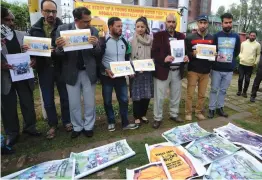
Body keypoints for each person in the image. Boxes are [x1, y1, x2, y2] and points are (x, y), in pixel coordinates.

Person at [29, 0, 71, 139]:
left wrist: (60, 48)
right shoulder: (34, 29)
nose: (51, 14)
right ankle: (53, 125)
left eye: (53, 11)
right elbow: (32, 50)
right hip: (44, 68)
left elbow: (69, 49)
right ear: (42, 12)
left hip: (61, 67)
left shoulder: (64, 27)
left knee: (65, 97)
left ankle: (67, 121)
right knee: (48, 100)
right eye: (48, 11)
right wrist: (30, 54)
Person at [55, 7, 100, 138]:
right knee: (73, 103)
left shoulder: (93, 31)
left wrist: (96, 44)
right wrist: (59, 47)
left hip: (88, 72)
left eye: (89, 20)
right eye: (86, 21)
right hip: (71, 72)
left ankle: (89, 126)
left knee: (89, 102)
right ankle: (77, 126)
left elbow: (97, 53)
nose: (89, 24)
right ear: (76, 20)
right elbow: (58, 54)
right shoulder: (62, 30)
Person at [1, 7, 41, 147]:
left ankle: (30, 127)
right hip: (5, 78)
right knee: (8, 106)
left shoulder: (22, 35)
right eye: (7, 20)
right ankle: (12, 133)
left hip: (23, 75)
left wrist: (33, 60)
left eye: (12, 19)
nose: (11, 23)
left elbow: (33, 53)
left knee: (27, 102)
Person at [100, 17, 138, 132]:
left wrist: (130, 70)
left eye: (121, 26)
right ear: (110, 27)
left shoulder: (124, 41)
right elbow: (97, 60)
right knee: (107, 101)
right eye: (118, 26)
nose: (121, 28)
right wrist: (105, 70)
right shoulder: (103, 41)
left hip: (121, 77)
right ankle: (111, 121)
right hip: (107, 76)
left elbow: (126, 58)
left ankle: (125, 123)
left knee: (124, 100)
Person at [151, 14, 189, 129]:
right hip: (163, 70)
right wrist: (164, 58)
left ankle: (174, 114)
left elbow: (185, 51)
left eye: (173, 22)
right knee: (159, 96)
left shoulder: (181, 36)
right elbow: (154, 53)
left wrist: (186, 57)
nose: (171, 24)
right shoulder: (159, 35)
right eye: (169, 21)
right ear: (165, 22)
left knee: (176, 95)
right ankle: (157, 118)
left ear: (176, 23)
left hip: (177, 70)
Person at [208, 13, 240, 118]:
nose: (228, 25)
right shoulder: (216, 36)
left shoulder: (236, 36)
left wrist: (230, 60)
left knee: (223, 90)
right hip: (216, 68)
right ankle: (211, 108)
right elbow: (212, 51)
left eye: (230, 22)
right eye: (226, 22)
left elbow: (237, 51)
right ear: (222, 23)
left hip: (229, 69)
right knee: (214, 89)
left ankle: (220, 108)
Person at [185, 15, 213, 121]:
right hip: (193, 70)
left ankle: (198, 111)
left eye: (205, 23)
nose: (203, 25)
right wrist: (193, 54)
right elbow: (186, 53)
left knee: (202, 94)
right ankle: (188, 112)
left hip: (205, 71)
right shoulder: (190, 38)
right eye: (201, 22)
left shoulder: (211, 38)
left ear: (207, 24)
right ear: (197, 23)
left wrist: (214, 56)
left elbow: (214, 53)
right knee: (190, 94)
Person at [129, 17, 153, 125]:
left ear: (146, 27)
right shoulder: (131, 40)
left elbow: (154, 54)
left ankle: (143, 114)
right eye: (138, 27)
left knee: (146, 94)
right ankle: (136, 116)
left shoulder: (151, 40)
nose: (140, 29)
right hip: (136, 72)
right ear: (135, 27)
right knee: (137, 95)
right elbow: (128, 57)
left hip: (147, 71)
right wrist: (131, 70)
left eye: (142, 27)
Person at [237, 31, 261, 98]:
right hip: (242, 64)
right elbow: (240, 52)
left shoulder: (257, 45)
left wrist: (255, 62)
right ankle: (239, 91)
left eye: (254, 36)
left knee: (247, 79)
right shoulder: (243, 43)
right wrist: (241, 58)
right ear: (249, 35)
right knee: (240, 78)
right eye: (251, 35)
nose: (252, 37)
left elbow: (258, 54)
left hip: (250, 65)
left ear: (255, 36)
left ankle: (244, 92)